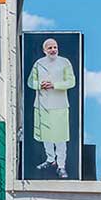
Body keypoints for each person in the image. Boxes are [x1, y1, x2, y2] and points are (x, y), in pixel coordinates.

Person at [27, 37, 76, 178]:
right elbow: (31, 82)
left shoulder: (64, 62)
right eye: (50, 48)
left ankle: (61, 166)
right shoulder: (38, 63)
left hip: (60, 105)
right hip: (42, 105)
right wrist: (40, 85)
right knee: (46, 136)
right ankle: (50, 159)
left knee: (60, 138)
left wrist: (55, 84)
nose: (53, 50)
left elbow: (71, 81)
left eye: (55, 47)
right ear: (44, 50)